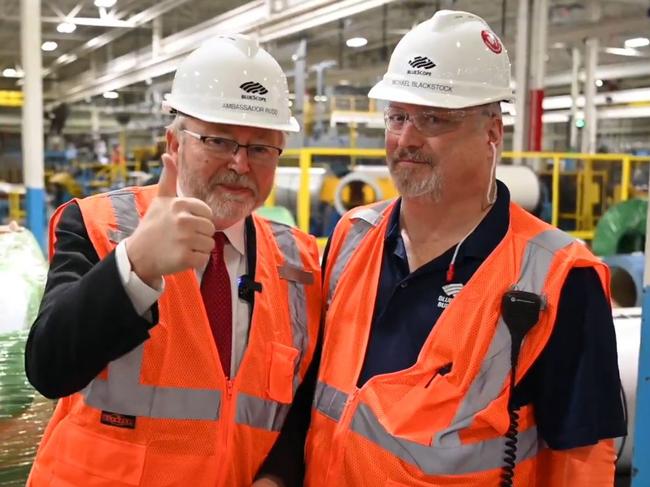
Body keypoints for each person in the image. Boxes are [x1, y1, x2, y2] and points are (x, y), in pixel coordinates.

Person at [304, 10, 625, 486]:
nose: (406, 139)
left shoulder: (558, 276)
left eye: (433, 119)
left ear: (493, 130)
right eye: (397, 117)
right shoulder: (353, 236)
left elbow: (581, 460)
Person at [25, 34, 321, 487]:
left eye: (260, 148)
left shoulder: (299, 263)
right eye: (219, 140)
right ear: (175, 144)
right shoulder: (102, 226)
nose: (241, 164)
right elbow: (49, 368)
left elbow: (301, 402)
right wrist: (135, 264)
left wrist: (278, 476)